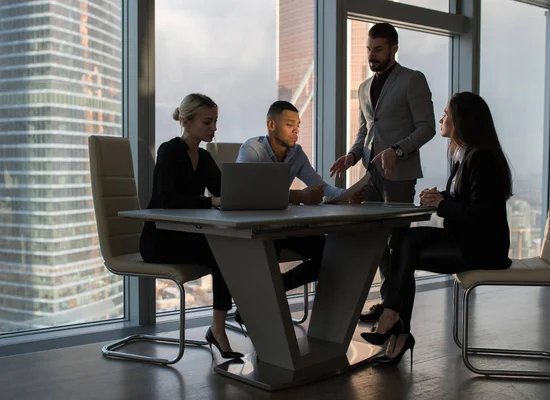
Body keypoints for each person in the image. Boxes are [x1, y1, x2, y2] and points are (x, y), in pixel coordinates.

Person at [361, 92, 513, 365]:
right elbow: (466, 199)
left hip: (484, 250)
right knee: (402, 239)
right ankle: (394, 322)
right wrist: (439, 196)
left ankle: (394, 323)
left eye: (446, 113)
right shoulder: (464, 154)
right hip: (465, 239)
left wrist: (442, 203)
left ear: (462, 120)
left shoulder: (482, 159)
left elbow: (481, 215)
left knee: (405, 254)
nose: (442, 118)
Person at [329, 22, 436, 323]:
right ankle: (389, 303)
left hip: (400, 175)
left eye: (378, 49)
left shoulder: (413, 80)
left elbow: (427, 127)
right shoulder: (364, 88)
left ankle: (398, 313)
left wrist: (398, 150)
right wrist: (351, 155)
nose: (371, 55)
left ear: (393, 48)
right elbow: (365, 129)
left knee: (399, 245)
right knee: (373, 242)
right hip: (370, 175)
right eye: (369, 49)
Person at [139, 93, 243, 359]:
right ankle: (219, 330)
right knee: (225, 254)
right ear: (186, 121)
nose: (213, 128)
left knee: (229, 252)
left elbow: (223, 192)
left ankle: (218, 328)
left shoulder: (205, 158)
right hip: (160, 240)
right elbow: (165, 200)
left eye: (215, 121)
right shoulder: (169, 150)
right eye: (207, 122)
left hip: (186, 237)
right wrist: (211, 202)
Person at [236, 100, 362, 296]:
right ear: (271, 125)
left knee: (333, 253)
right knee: (267, 252)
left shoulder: (296, 153)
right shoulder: (252, 150)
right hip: (256, 231)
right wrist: (299, 196)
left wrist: (347, 195)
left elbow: (322, 187)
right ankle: (263, 302)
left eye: (298, 125)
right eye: (289, 125)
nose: (296, 130)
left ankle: (276, 289)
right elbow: (246, 191)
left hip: (283, 228)